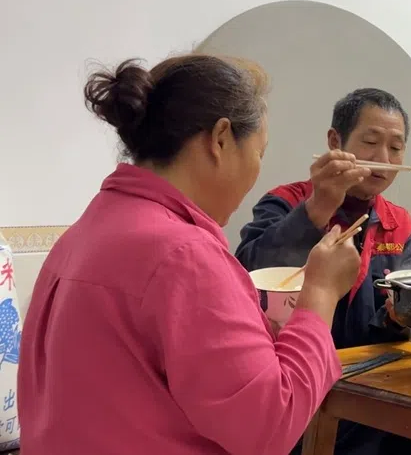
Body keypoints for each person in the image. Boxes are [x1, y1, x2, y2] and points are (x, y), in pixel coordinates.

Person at [18, 55, 362, 455]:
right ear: (219, 139)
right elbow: (269, 427)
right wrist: (320, 294)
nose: (256, 171)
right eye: (259, 153)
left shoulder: (83, 234)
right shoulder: (184, 255)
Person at [235, 88, 411, 455]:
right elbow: (250, 273)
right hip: (299, 390)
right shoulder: (285, 202)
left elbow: (390, 322)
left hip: (373, 394)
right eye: (371, 141)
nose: (383, 158)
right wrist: (317, 209)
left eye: (396, 147)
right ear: (335, 141)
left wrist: (399, 315)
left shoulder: (399, 223)